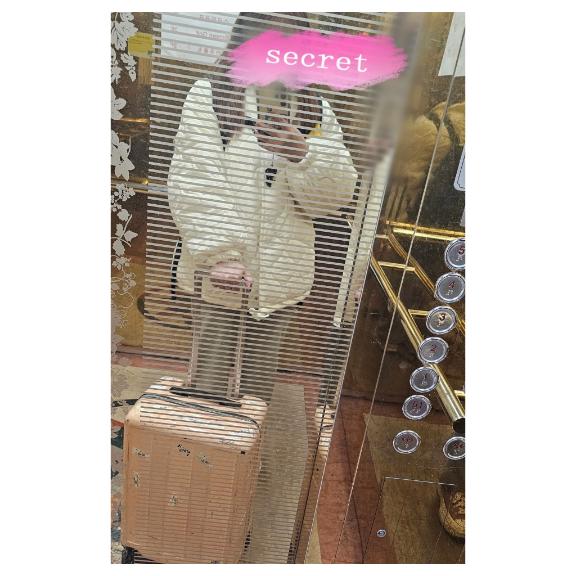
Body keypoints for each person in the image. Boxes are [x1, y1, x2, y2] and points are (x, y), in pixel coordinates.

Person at [166, 13, 358, 401]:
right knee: (209, 375)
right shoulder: (211, 96)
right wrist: (220, 255)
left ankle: (249, 434)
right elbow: (195, 177)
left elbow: (333, 199)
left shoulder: (316, 109)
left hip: (283, 271)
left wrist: (303, 154)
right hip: (221, 271)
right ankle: (208, 431)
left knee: (259, 382)